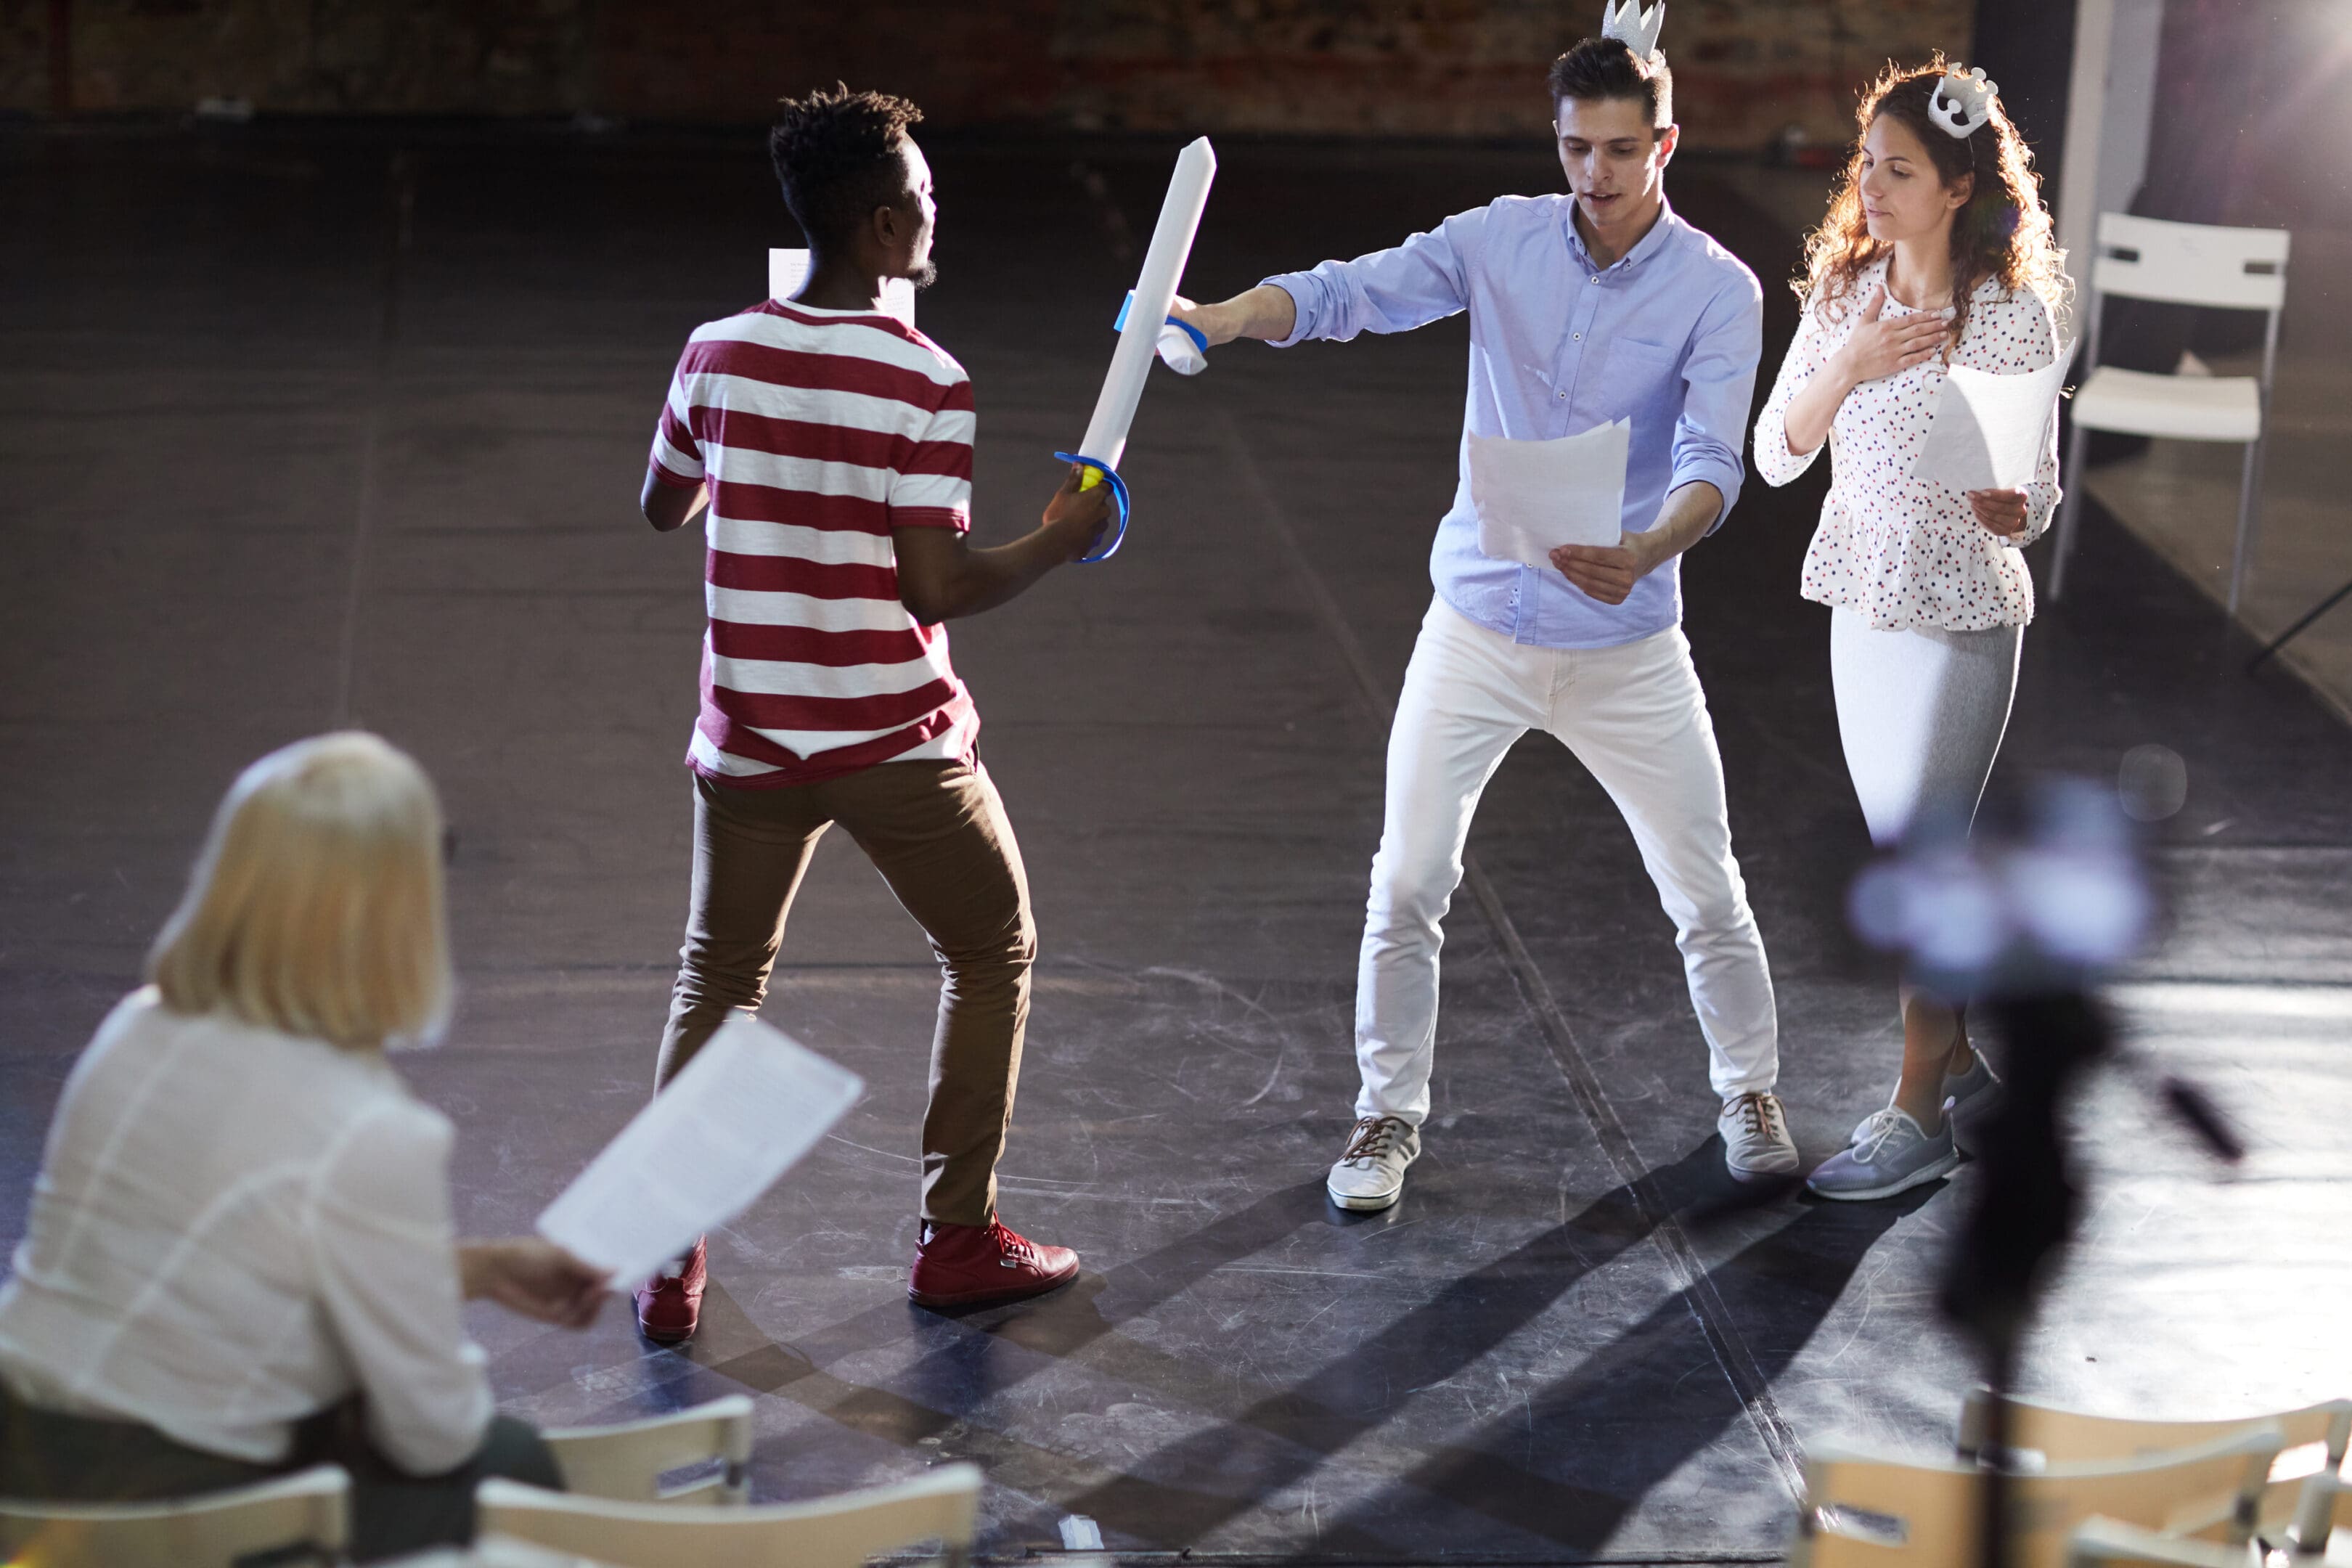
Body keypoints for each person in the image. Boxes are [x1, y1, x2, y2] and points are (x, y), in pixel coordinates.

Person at [1175, 7, 1800, 1212]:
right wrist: (1226, 315)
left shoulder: (1718, 290)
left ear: (1665, 146)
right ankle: (1383, 1119)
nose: (1596, 176)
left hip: (1626, 642)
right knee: (1407, 879)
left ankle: (1750, 1089)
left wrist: (1652, 544)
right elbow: (1353, 292)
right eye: (1577, 149)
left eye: (1622, 151)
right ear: (1557, 142)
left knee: (1705, 888)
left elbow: (1715, 460)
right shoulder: (1499, 239)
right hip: (1476, 629)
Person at [632, 84, 1112, 1337]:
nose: (935, 214)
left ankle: (666, 1256)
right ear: (890, 229)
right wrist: (1062, 539)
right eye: (927, 201)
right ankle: (957, 1242)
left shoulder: (714, 347)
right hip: (896, 745)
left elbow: (663, 504)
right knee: (992, 949)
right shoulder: (926, 380)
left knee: (719, 983)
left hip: (746, 740)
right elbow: (935, 584)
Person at [0, 733, 607, 1563]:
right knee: (511, 1461)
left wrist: (478, 1268)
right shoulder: (371, 1128)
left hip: (25, 1445)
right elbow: (435, 1434)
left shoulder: (138, 1029)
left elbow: (217, 1260)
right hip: (162, 1499)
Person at [1751, 60, 2067, 1200]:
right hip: (1863, 605)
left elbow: (2036, 496)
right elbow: (1777, 455)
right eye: (1866, 166)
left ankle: (1917, 1112)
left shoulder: (2010, 314)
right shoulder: (1844, 297)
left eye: (1898, 171)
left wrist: (2012, 509)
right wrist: (1848, 361)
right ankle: (1963, 1062)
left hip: (1967, 614)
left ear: (1956, 188)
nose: (1870, 188)